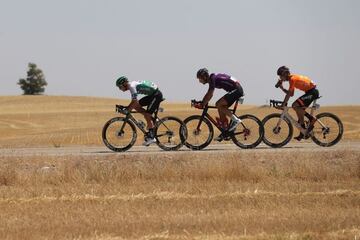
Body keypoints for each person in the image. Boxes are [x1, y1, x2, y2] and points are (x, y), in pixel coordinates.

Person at [196, 68, 244, 141]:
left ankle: (235, 120)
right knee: (221, 107)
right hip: (235, 89)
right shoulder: (212, 78)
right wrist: (202, 102)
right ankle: (225, 132)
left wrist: (202, 103)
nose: (199, 81)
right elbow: (209, 94)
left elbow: (210, 94)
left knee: (218, 104)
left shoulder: (212, 79)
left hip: (237, 90)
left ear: (204, 77)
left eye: (200, 79)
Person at [116, 76, 163, 146]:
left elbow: (134, 101)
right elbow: (135, 103)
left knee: (146, 114)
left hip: (156, 95)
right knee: (136, 107)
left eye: (120, 87)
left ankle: (152, 138)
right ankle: (152, 119)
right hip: (152, 95)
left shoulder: (131, 86)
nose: (120, 89)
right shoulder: (131, 86)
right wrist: (127, 108)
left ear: (125, 84)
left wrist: (127, 109)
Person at [275, 66, 319, 140]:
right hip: (310, 92)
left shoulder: (292, 79)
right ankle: (303, 132)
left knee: (295, 105)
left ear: (285, 74)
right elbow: (291, 94)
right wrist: (282, 88)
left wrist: (283, 104)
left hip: (312, 92)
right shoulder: (291, 79)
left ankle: (312, 119)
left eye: (280, 76)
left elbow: (289, 94)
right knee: (298, 111)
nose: (280, 78)